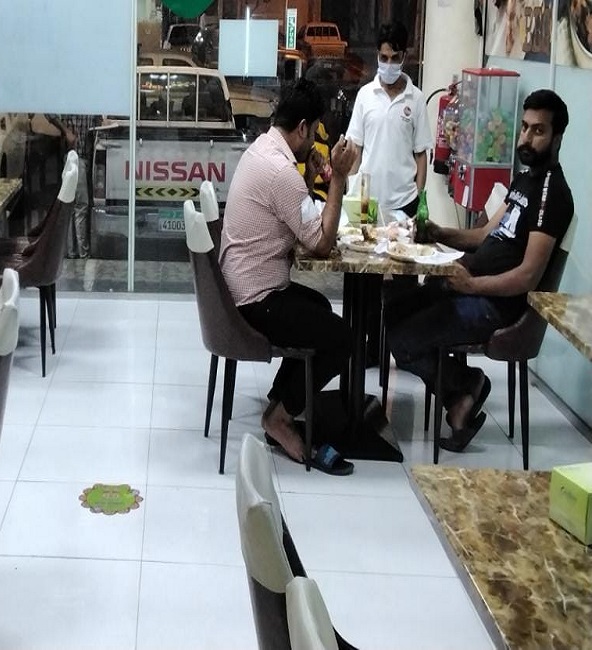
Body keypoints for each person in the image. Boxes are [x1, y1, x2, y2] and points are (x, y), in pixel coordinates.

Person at [387, 89, 574, 452]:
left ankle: (464, 386)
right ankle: (461, 390)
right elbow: (485, 235)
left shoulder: (552, 195)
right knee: (394, 311)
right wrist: (439, 233)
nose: (526, 138)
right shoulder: (525, 180)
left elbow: (528, 276)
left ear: (557, 138)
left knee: (403, 338)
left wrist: (471, 285)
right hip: (468, 287)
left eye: (538, 130)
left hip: (496, 305)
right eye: (524, 127)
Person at [220, 79, 358, 476]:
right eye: (313, 132)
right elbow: (321, 243)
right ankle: (280, 418)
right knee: (342, 338)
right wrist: (336, 178)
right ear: (302, 127)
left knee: (319, 306)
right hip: (254, 299)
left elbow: (297, 217)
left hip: (242, 287)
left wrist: (312, 176)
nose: (314, 141)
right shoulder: (281, 171)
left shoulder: (262, 150)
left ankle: (281, 401)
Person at [346, 22, 431, 220]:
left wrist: (419, 198)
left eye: (395, 58)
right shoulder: (365, 95)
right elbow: (355, 148)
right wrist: (350, 192)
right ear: (377, 55)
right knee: (363, 240)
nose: (389, 64)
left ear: (404, 57)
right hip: (366, 200)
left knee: (403, 242)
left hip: (405, 202)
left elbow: (421, 155)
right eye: (384, 58)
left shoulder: (416, 99)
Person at [46, 114, 101, 258]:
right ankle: (82, 252)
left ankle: (71, 251)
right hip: (75, 157)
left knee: (73, 205)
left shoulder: (89, 107)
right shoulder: (72, 105)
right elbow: (48, 112)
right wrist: (66, 131)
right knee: (80, 205)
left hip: (83, 158)